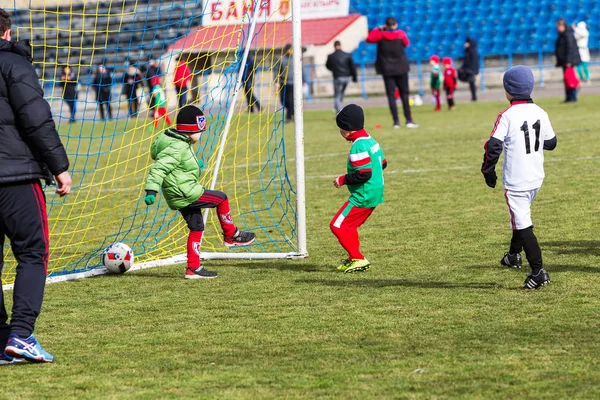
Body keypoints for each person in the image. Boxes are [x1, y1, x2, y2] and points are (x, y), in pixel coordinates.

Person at [0, 8, 72, 364]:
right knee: (32, 252)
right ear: (7, 33)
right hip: (14, 176)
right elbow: (36, 118)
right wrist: (59, 167)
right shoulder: (14, 64)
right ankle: (22, 334)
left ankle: (3, 341)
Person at [143, 105, 256, 279]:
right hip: (185, 193)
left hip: (179, 192)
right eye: (199, 132)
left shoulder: (176, 140)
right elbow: (159, 168)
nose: (201, 136)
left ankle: (193, 268)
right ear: (190, 131)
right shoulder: (178, 147)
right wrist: (151, 190)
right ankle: (231, 235)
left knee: (197, 227)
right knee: (221, 199)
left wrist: (196, 164)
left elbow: (180, 161)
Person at [480, 66, 557, 289]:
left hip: (517, 179)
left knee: (523, 222)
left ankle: (538, 271)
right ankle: (513, 255)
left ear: (508, 90)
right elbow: (551, 143)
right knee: (519, 214)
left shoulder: (507, 115)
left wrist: (488, 171)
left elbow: (493, 146)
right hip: (536, 176)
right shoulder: (541, 112)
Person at [331, 104, 387, 273]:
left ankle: (358, 258)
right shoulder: (371, 140)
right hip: (375, 192)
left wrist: (343, 179)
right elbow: (383, 163)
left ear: (348, 129)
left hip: (363, 194)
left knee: (337, 225)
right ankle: (353, 258)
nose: (339, 131)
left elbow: (364, 174)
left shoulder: (358, 146)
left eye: (340, 128)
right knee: (349, 226)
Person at [366, 17, 418, 129]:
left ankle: (396, 122)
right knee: (404, 94)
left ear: (386, 25)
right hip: (401, 68)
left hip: (387, 69)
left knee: (391, 96)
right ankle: (408, 120)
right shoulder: (401, 34)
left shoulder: (380, 35)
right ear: (395, 24)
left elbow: (369, 38)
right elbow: (407, 43)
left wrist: (379, 29)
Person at [325, 40, 357, 113]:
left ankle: (339, 112)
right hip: (347, 77)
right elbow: (352, 67)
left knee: (337, 96)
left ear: (334, 46)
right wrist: (354, 78)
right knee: (341, 94)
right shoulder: (347, 55)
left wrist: (334, 70)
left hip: (338, 77)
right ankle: (337, 109)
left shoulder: (331, 56)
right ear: (340, 45)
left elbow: (327, 66)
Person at [555, 19, 581, 103]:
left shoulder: (567, 34)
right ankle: (569, 97)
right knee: (567, 79)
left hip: (568, 62)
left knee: (570, 79)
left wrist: (569, 61)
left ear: (562, 26)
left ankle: (573, 97)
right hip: (564, 61)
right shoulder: (562, 35)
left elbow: (570, 49)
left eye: (559, 26)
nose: (558, 28)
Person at [275, 44, 294, 122]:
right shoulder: (281, 59)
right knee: (283, 100)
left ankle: (288, 117)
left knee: (290, 100)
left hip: (293, 83)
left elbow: (301, 69)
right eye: (289, 49)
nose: (290, 51)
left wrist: (304, 80)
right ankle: (292, 111)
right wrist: (277, 81)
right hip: (283, 82)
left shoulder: (296, 59)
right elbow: (277, 71)